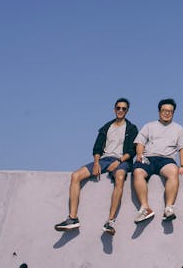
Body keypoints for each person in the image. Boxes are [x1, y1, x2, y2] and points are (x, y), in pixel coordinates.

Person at [54, 98, 137, 235]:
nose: (120, 110)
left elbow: (131, 151)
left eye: (123, 108)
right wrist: (97, 163)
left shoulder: (132, 128)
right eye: (118, 108)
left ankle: (110, 222)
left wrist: (119, 161)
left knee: (120, 177)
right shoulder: (106, 127)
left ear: (127, 111)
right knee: (75, 175)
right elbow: (97, 148)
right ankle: (73, 218)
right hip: (104, 160)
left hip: (122, 160)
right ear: (114, 109)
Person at [132, 98, 183, 223]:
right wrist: (139, 154)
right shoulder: (149, 126)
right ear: (159, 112)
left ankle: (168, 208)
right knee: (137, 172)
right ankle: (145, 208)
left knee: (173, 171)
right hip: (149, 157)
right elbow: (140, 142)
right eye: (164, 110)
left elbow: (182, 149)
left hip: (166, 160)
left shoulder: (179, 129)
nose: (167, 113)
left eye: (170, 111)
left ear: (173, 113)